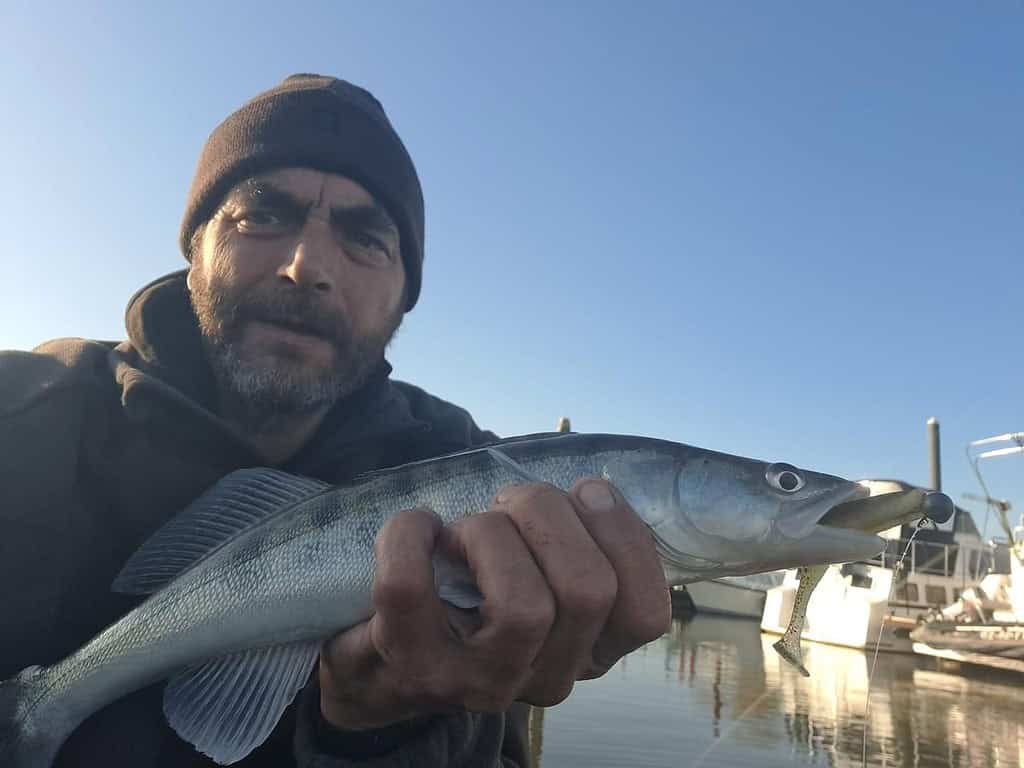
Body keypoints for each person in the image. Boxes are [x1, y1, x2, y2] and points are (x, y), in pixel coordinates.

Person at [0, 74, 669, 766]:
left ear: (403, 297)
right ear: (195, 247)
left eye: (366, 240)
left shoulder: (474, 477)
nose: (305, 265)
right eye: (262, 215)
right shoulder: (18, 411)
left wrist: (385, 734)